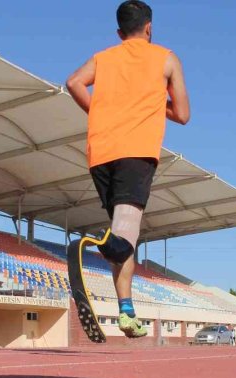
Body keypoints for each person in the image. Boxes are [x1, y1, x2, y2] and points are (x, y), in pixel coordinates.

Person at [66, 0, 190, 338]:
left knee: (125, 233)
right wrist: (154, 100)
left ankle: (126, 311)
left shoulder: (103, 58)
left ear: (120, 32)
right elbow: (182, 113)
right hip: (135, 152)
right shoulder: (165, 58)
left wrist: (100, 112)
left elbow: (74, 81)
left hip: (100, 152)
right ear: (149, 27)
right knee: (121, 237)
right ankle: (97, 241)